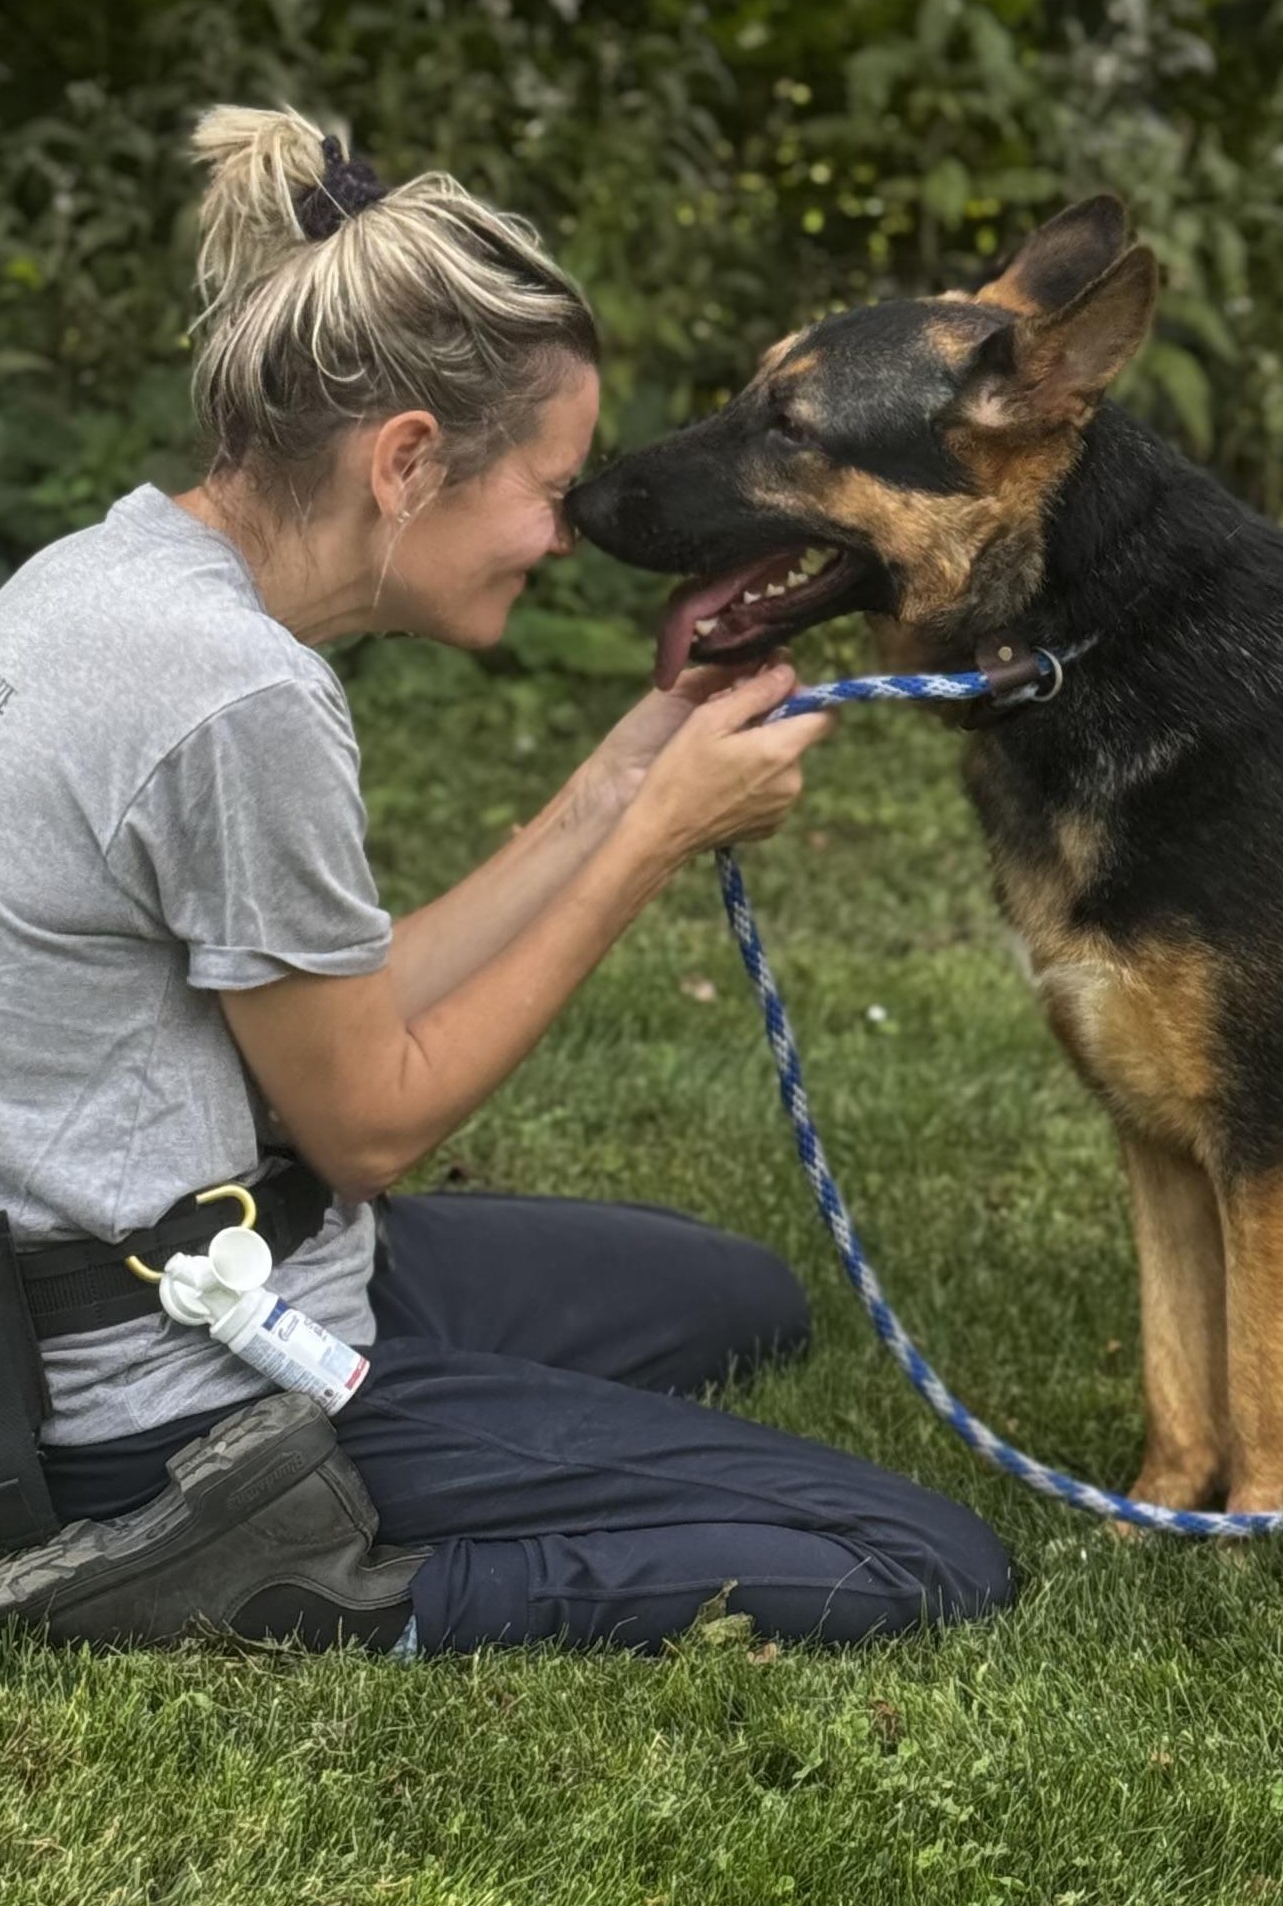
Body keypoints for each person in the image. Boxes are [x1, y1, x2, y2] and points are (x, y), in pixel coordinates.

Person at [0, 107, 1013, 1654]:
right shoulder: (232, 696)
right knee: (919, 1556)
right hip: (184, 1383)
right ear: (409, 461)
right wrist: (661, 839)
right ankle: (283, 1579)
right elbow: (375, 1117)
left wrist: (619, 778)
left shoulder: (114, 576)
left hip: (249, 1252)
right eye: (547, 484)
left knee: (746, 1299)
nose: (566, 530)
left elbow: (349, 1003)